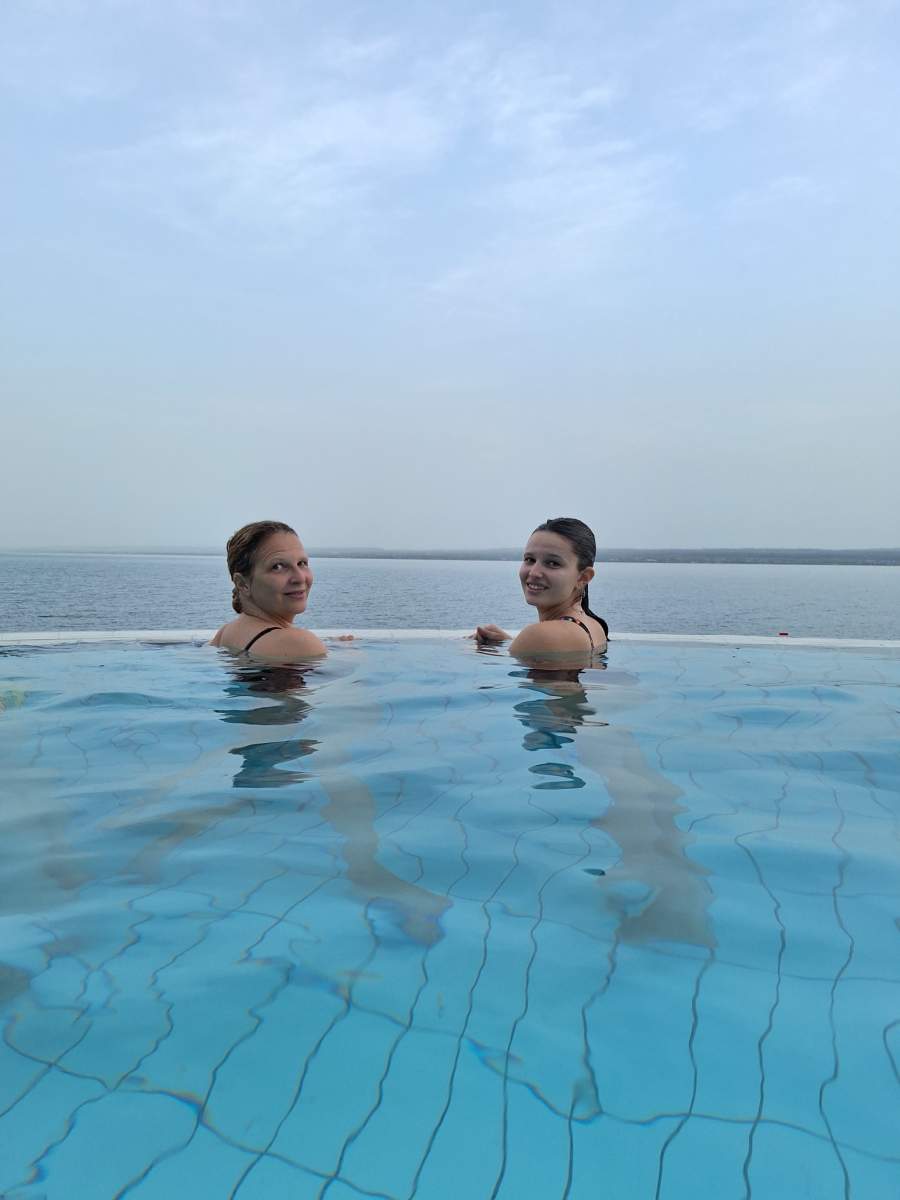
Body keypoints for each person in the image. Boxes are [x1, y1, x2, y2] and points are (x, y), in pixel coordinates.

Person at [473, 517, 609, 656]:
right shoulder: (595, 627)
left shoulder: (541, 635)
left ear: (583, 577)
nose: (534, 572)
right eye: (530, 559)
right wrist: (513, 642)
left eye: (553, 563)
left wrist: (473, 650)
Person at [208, 520, 330, 658]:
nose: (300, 578)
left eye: (302, 563)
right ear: (243, 584)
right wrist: (346, 650)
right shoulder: (298, 642)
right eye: (277, 567)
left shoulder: (225, 634)